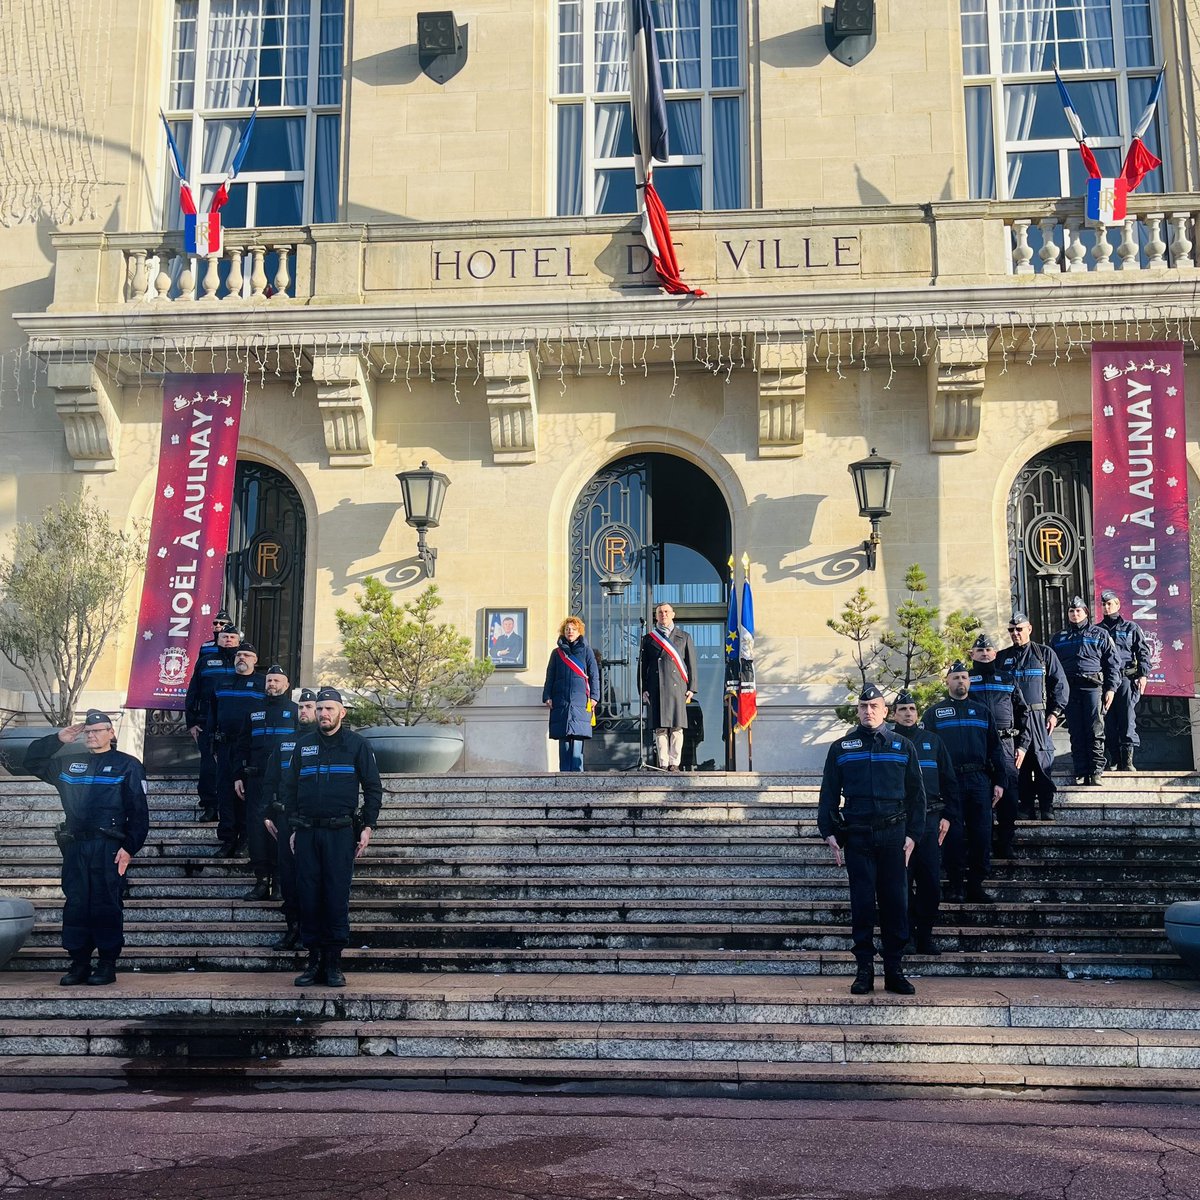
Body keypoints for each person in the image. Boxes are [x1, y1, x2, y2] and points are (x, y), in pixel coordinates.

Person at [24, 711, 149, 987]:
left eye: (98, 730)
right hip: (76, 846)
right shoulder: (69, 764)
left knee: (106, 904)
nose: (91, 735)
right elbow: (30, 761)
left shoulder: (127, 765)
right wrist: (59, 739)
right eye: (88, 731)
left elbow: (139, 812)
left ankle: (106, 964)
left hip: (108, 846)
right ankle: (79, 963)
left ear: (111, 733)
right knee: (77, 905)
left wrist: (129, 847)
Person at [817, 683, 925, 995]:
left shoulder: (902, 746)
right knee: (862, 905)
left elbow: (918, 795)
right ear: (857, 711)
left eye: (874, 706)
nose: (869, 712)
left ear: (885, 711)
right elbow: (828, 795)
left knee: (895, 903)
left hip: (893, 835)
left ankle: (894, 970)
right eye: (863, 707)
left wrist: (913, 835)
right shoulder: (842, 748)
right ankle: (864, 969)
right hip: (859, 836)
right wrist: (830, 832)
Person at [279, 686, 382, 988]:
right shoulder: (304, 745)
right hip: (308, 832)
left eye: (329, 709)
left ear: (341, 712)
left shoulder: (357, 745)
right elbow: (290, 788)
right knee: (308, 897)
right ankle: (313, 963)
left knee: (335, 897)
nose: (323, 714)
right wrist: (295, 825)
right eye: (320, 709)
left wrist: (367, 825)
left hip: (340, 833)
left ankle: (334, 964)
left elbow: (373, 788)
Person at [920, 663, 1006, 904]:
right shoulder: (934, 714)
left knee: (982, 834)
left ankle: (976, 885)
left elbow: (995, 749)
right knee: (953, 836)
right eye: (956, 677)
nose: (961, 682)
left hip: (979, 781)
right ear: (947, 682)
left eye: (964, 677)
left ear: (969, 682)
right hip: (950, 782)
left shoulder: (981, 712)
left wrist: (999, 780)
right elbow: (927, 753)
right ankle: (956, 886)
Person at [891, 690, 960, 956]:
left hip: (931, 821)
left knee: (930, 882)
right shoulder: (888, 741)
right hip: (901, 821)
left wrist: (948, 816)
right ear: (893, 714)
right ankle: (905, 935)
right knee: (901, 883)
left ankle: (925, 936)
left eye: (912, 709)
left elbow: (949, 781)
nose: (908, 714)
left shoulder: (933, 741)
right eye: (903, 709)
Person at [996, 611, 1070, 821]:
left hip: (1038, 715)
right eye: (1011, 630)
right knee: (1020, 763)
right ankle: (1026, 805)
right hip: (1013, 718)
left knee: (1042, 761)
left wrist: (1055, 713)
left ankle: (1047, 806)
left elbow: (1060, 685)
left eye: (1019, 629)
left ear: (1029, 629)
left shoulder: (1044, 654)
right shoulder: (1002, 658)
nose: (1015, 634)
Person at [232, 664, 297, 900]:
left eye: (277, 681)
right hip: (257, 780)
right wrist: (238, 775)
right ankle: (261, 881)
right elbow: (241, 745)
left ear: (286, 685)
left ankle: (280, 882)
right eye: (269, 681)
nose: (272, 684)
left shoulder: (295, 711)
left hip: (285, 784)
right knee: (258, 831)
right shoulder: (253, 711)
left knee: (280, 830)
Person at [967, 632, 1030, 859]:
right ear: (972, 654)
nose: (984, 654)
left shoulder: (1007, 679)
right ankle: (982, 847)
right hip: (975, 748)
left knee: (1010, 798)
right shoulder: (965, 679)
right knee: (978, 799)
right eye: (980, 651)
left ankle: (1005, 843)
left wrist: (1022, 746)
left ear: (995, 653)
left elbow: (1024, 715)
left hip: (1005, 746)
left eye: (988, 650)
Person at [264, 687, 317, 950]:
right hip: (286, 818)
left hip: (312, 820)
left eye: (310, 707)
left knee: (311, 877)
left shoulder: (324, 742)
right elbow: (271, 778)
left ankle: (311, 931)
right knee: (288, 876)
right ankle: (292, 929)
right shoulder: (285, 742)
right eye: (302, 707)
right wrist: (267, 813)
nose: (305, 711)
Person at [1050, 597, 1120, 786]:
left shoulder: (1100, 634)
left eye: (1078, 611)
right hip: (1070, 689)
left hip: (1092, 687)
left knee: (1095, 730)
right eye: (1071, 611)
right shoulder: (1058, 638)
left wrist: (1111, 689)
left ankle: (1096, 771)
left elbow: (1113, 664)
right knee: (1076, 730)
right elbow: (1051, 668)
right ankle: (1081, 770)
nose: (1075, 614)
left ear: (1086, 613)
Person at [210, 640, 266, 857]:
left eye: (246, 655)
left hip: (250, 748)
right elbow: (213, 715)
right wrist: (211, 745)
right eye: (238, 655)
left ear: (255, 660)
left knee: (245, 793)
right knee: (225, 793)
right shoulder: (222, 683)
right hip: (225, 747)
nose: (241, 658)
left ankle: (245, 838)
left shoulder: (262, 684)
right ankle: (227, 839)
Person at [183, 617, 238, 822]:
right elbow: (193, 691)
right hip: (207, 721)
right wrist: (191, 722)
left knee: (234, 766)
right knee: (208, 766)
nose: (228, 640)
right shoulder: (205, 661)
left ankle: (231, 807)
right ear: (219, 639)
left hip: (235, 724)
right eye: (225, 637)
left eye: (233, 637)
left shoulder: (242, 662)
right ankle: (210, 806)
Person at [639, 602, 697, 771]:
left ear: (673, 614)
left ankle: (675, 763)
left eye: (666, 612)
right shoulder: (649, 639)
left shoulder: (684, 637)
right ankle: (663, 762)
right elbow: (643, 667)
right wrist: (643, 689)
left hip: (677, 687)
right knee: (660, 727)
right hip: (656, 687)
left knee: (677, 727)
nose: (663, 614)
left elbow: (691, 664)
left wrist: (691, 688)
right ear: (656, 616)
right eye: (660, 612)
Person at [1099, 588, 1151, 772]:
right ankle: (1114, 758)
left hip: (1126, 680)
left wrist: (1143, 674)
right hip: (1105, 682)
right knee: (1109, 722)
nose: (1106, 607)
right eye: (1104, 604)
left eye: (1109, 603)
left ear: (1118, 604)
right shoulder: (1097, 630)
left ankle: (1127, 761)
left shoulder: (1131, 628)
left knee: (1127, 720)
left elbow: (1143, 652)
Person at [542, 616, 601, 772]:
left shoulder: (587, 652)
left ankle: (576, 772)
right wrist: (547, 696)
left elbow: (594, 675)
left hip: (581, 700)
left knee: (577, 736)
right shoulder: (557, 653)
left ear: (579, 631)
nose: (570, 631)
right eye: (567, 629)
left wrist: (595, 696)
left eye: (573, 629)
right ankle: (564, 772)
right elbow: (550, 675)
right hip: (561, 699)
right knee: (564, 736)